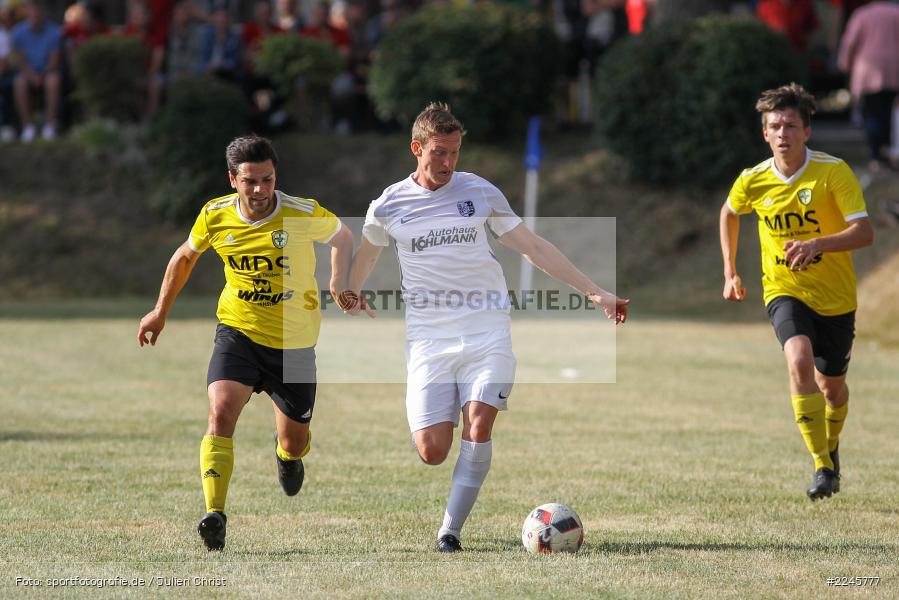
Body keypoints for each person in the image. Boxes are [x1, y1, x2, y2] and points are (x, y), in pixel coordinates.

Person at [346, 103, 629, 552]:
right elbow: (367, 253)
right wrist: (350, 290)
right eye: (439, 152)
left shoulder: (479, 193)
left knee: (478, 425)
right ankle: (446, 493)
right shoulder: (388, 204)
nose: (448, 163)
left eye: (455, 152)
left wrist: (594, 292)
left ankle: (449, 531)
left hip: (487, 330)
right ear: (416, 148)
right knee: (432, 451)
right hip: (429, 339)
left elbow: (533, 246)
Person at [138, 135, 355, 551]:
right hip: (237, 331)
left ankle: (288, 458)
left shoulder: (300, 212)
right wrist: (159, 311)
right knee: (220, 411)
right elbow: (185, 257)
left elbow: (343, 236)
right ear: (233, 179)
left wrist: (337, 281)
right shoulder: (214, 215)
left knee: (294, 440)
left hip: (293, 342)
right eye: (251, 181)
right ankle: (214, 514)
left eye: (268, 180)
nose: (260, 190)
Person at [719, 83, 874, 501]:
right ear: (764, 134)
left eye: (790, 125)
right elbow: (730, 213)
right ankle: (822, 466)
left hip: (837, 298)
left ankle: (832, 445)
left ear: (807, 131)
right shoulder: (753, 180)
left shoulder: (833, 172)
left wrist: (817, 244)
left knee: (832, 388)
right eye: (774, 126)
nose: (782, 133)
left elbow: (864, 232)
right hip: (783, 289)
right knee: (798, 359)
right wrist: (731, 270)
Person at [837, 1, 899, 171]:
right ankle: (890, 151)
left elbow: (849, 43)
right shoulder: (896, 13)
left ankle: (876, 155)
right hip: (894, 70)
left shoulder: (862, 14)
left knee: (873, 114)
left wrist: (844, 65)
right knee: (891, 115)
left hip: (868, 73)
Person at [11, 0, 61, 141]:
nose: (35, 14)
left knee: (53, 81)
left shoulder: (54, 32)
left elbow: (54, 61)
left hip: (47, 72)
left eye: (38, 11)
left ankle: (50, 125)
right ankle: (28, 127)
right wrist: (32, 76)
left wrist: (42, 75)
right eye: (32, 11)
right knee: (19, 83)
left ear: (43, 13)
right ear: (27, 12)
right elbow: (20, 60)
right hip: (28, 73)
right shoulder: (18, 32)